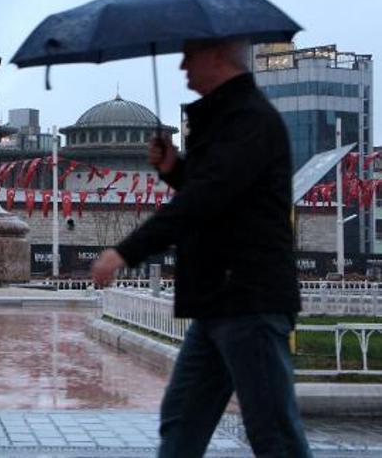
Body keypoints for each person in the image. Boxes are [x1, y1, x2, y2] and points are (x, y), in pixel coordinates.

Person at [91, 37, 311, 457]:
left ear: (217, 56)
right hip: (218, 302)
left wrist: (125, 251)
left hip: (250, 300)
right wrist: (175, 169)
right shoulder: (226, 119)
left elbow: (205, 199)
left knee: (274, 434)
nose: (182, 67)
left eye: (189, 56)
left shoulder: (249, 120)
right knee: (182, 422)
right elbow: (216, 191)